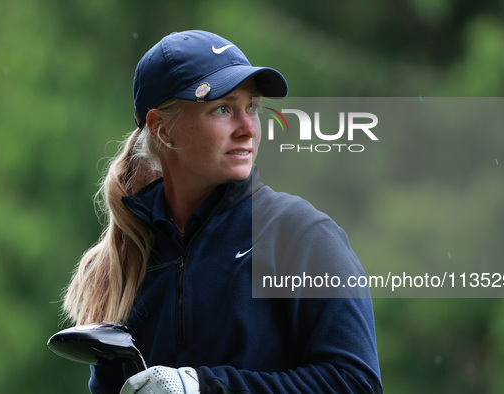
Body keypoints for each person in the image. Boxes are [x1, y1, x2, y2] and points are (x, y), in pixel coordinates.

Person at [62, 30, 382, 393]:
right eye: (223, 109)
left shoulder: (302, 234)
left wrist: (204, 387)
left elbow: (355, 383)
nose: (247, 128)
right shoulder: (130, 258)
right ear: (162, 129)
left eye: (252, 108)